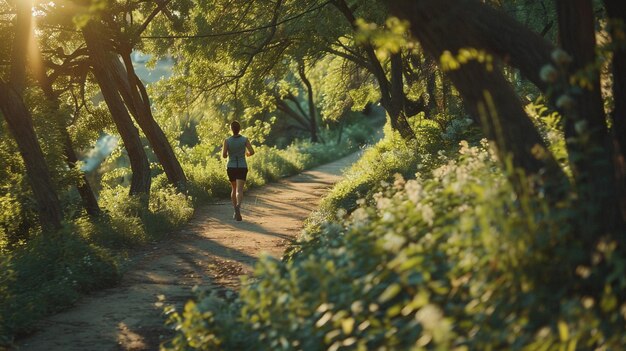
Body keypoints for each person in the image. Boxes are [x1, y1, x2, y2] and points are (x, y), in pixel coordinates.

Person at [222, 121, 255, 221]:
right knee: (239, 190)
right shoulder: (245, 139)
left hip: (231, 167)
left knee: (233, 188)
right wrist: (247, 154)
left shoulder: (227, 141)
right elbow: (252, 151)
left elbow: (224, 155)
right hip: (241, 166)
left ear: (231, 129)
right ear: (239, 129)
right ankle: (238, 207)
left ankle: (235, 210)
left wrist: (229, 154)